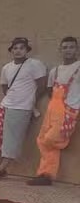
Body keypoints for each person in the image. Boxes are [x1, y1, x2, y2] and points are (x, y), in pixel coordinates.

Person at [0, 37, 47, 181]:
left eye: (21, 48)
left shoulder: (34, 64)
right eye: (15, 48)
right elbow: (4, 86)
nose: (18, 50)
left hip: (22, 107)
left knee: (12, 139)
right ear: (11, 51)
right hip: (5, 105)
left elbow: (42, 84)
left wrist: (31, 100)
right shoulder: (6, 68)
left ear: (26, 50)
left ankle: (1, 169)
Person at [29, 36, 80, 186]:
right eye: (65, 47)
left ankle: (47, 173)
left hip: (68, 111)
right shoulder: (55, 70)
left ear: (77, 49)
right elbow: (50, 89)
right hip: (53, 109)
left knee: (51, 140)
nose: (68, 50)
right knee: (42, 139)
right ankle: (45, 175)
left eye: (71, 47)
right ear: (60, 50)